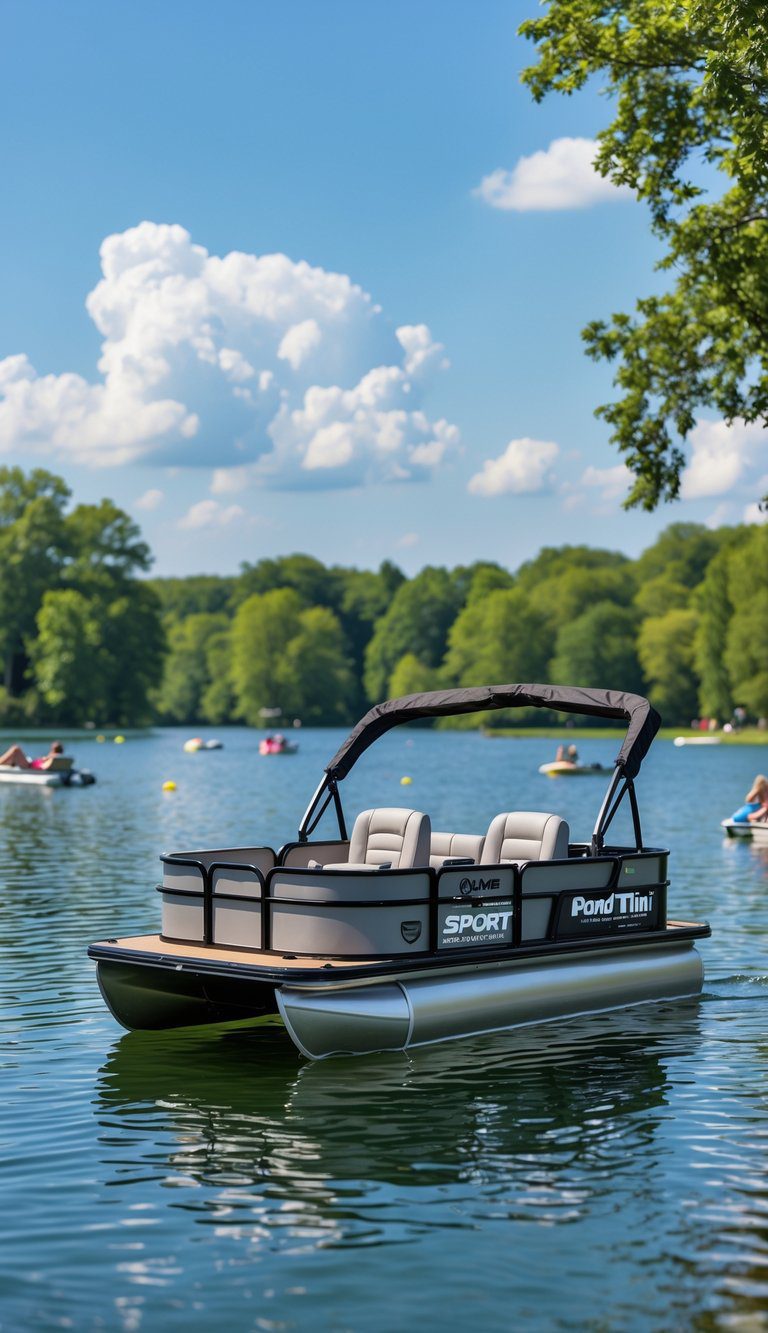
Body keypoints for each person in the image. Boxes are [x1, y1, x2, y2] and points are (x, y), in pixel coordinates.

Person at [0, 740, 65, 771]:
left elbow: (45, 762)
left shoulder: (55, 756)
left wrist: (44, 758)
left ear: (54, 749)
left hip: (30, 766)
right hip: (31, 764)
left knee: (15, 749)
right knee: (14, 754)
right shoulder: (54, 756)